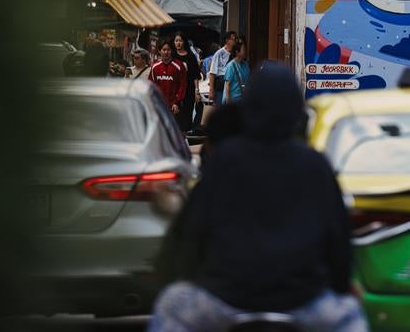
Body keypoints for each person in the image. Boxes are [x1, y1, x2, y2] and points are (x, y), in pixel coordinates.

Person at [151, 63, 366, 332]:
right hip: (303, 300)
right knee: (351, 318)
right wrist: (342, 286)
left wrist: (181, 276)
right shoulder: (315, 166)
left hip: (224, 299)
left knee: (169, 305)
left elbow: (191, 233)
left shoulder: (225, 161)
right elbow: (339, 243)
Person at [149, 42, 190, 129]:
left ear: (171, 51)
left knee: (174, 131)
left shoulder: (179, 66)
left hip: (174, 107)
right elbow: (151, 86)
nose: (166, 52)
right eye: (164, 50)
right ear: (159, 51)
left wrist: (176, 102)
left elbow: (182, 86)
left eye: (168, 50)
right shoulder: (155, 67)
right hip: (159, 106)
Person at [173, 32, 203, 131]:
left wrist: (197, 91)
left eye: (180, 41)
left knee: (187, 113)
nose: (178, 43)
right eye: (176, 41)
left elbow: (195, 75)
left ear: (184, 42)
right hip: (175, 90)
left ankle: (185, 134)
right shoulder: (172, 55)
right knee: (176, 114)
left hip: (189, 89)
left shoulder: (191, 56)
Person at [207, 30, 239, 106]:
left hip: (232, 85)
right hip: (220, 84)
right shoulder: (219, 53)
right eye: (233, 39)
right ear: (227, 40)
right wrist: (211, 90)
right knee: (220, 107)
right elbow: (212, 73)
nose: (235, 41)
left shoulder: (236, 54)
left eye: (236, 39)